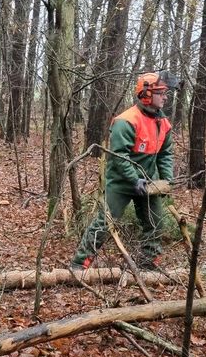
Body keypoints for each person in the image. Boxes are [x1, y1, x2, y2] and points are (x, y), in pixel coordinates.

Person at [70, 71, 178, 271]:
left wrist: (167, 179)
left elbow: (165, 154)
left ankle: (148, 264)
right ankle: (79, 264)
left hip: (149, 181)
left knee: (155, 223)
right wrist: (134, 179)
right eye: (161, 92)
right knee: (105, 222)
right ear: (146, 94)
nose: (165, 97)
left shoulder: (163, 123)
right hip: (121, 181)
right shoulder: (126, 120)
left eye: (166, 93)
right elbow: (119, 156)